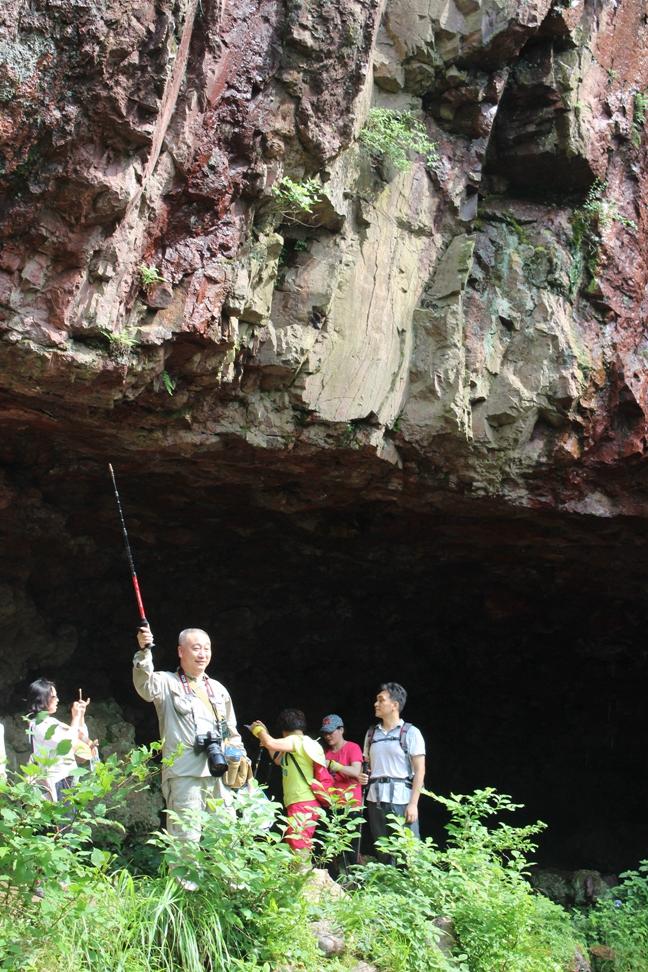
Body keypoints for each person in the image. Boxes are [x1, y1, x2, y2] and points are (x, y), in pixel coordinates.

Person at [133, 624, 248, 855]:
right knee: (186, 838)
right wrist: (145, 651)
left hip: (219, 773)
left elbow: (232, 731)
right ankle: (184, 890)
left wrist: (239, 757)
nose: (202, 654)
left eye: (207, 648)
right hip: (185, 773)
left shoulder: (218, 689)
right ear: (180, 651)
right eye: (196, 648)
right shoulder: (166, 682)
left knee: (225, 835)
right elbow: (144, 686)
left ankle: (226, 889)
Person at [360, 682, 426, 863]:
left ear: (395, 705)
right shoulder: (371, 733)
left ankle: (412, 888)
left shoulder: (411, 733)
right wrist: (362, 775)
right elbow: (367, 765)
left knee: (408, 852)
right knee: (383, 850)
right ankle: (387, 887)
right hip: (376, 800)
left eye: (381, 700)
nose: (376, 704)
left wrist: (413, 804)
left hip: (401, 800)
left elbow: (420, 770)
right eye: (376, 700)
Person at [250, 709, 327, 852]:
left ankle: (305, 873)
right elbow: (278, 759)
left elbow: (271, 743)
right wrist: (266, 737)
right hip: (307, 802)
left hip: (301, 802)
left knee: (298, 848)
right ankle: (305, 873)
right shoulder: (304, 743)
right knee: (297, 845)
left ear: (284, 729)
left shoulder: (295, 741)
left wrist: (258, 730)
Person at [27, 678, 91, 801]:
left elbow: (80, 740)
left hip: (67, 779)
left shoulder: (52, 722)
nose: (58, 700)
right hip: (57, 783)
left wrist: (81, 715)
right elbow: (69, 744)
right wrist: (76, 717)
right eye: (54, 697)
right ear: (42, 700)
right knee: (64, 819)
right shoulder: (39, 726)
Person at [320, 713, 363, 870]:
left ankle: (356, 885)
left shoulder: (352, 747)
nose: (327, 736)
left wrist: (334, 765)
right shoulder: (326, 753)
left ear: (341, 730)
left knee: (351, 849)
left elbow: (356, 771)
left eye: (331, 732)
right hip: (332, 805)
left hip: (351, 806)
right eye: (325, 732)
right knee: (332, 850)